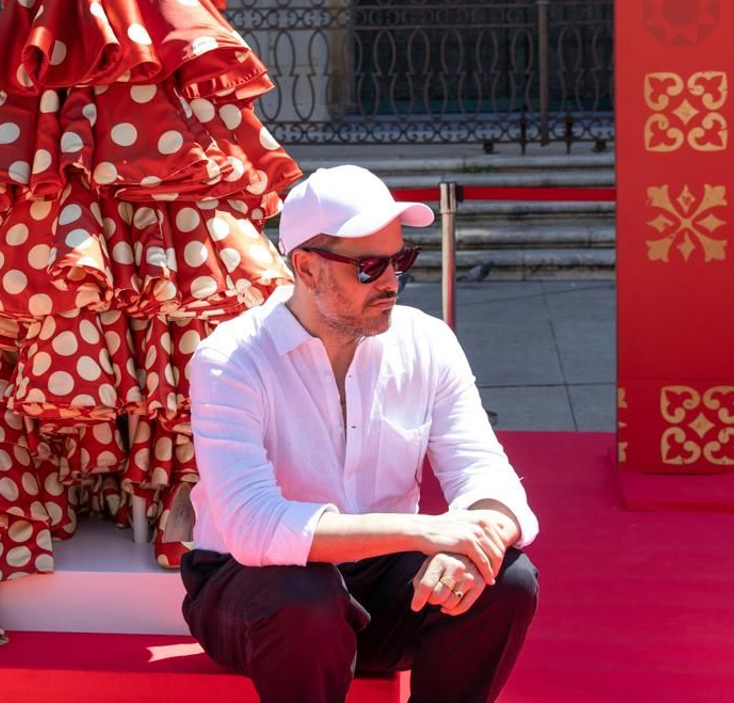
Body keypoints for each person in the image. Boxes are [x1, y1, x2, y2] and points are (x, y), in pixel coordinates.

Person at [182, 165, 540, 703]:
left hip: (380, 581)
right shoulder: (230, 359)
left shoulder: (427, 342)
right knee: (303, 595)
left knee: (505, 578)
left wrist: (471, 547)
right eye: (369, 266)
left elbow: (485, 471)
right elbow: (255, 529)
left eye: (401, 259)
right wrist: (426, 533)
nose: (392, 281)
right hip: (253, 591)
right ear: (305, 267)